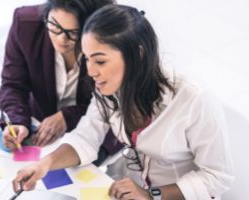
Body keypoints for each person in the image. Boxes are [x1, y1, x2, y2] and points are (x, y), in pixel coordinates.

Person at [12, 4, 234, 200]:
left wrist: (151, 195)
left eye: (100, 60)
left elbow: (218, 176)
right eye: (87, 59)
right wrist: (44, 165)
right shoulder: (108, 89)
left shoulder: (193, 99)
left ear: (137, 54)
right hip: (125, 186)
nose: (90, 71)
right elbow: (86, 138)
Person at [0, 0, 117, 154]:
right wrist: (17, 120)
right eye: (55, 26)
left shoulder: (113, 41)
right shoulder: (26, 23)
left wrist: (68, 117)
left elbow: (115, 103)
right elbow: (13, 83)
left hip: (97, 132)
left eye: (74, 33)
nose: (61, 39)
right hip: (40, 126)